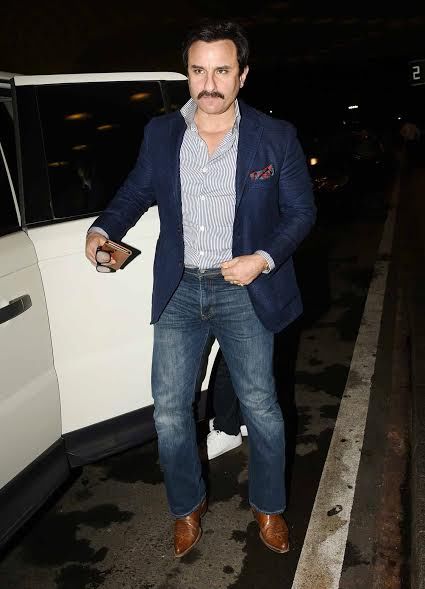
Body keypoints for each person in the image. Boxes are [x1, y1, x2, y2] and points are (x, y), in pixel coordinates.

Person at [86, 20, 316, 558]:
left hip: (243, 287)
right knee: (168, 410)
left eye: (222, 71)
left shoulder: (274, 136)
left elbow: (301, 213)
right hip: (181, 289)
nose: (209, 84)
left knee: (261, 406)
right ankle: (186, 507)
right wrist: (102, 230)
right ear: (187, 74)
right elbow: (135, 192)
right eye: (198, 71)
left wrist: (262, 259)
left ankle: (269, 506)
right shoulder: (162, 133)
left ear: (242, 75)